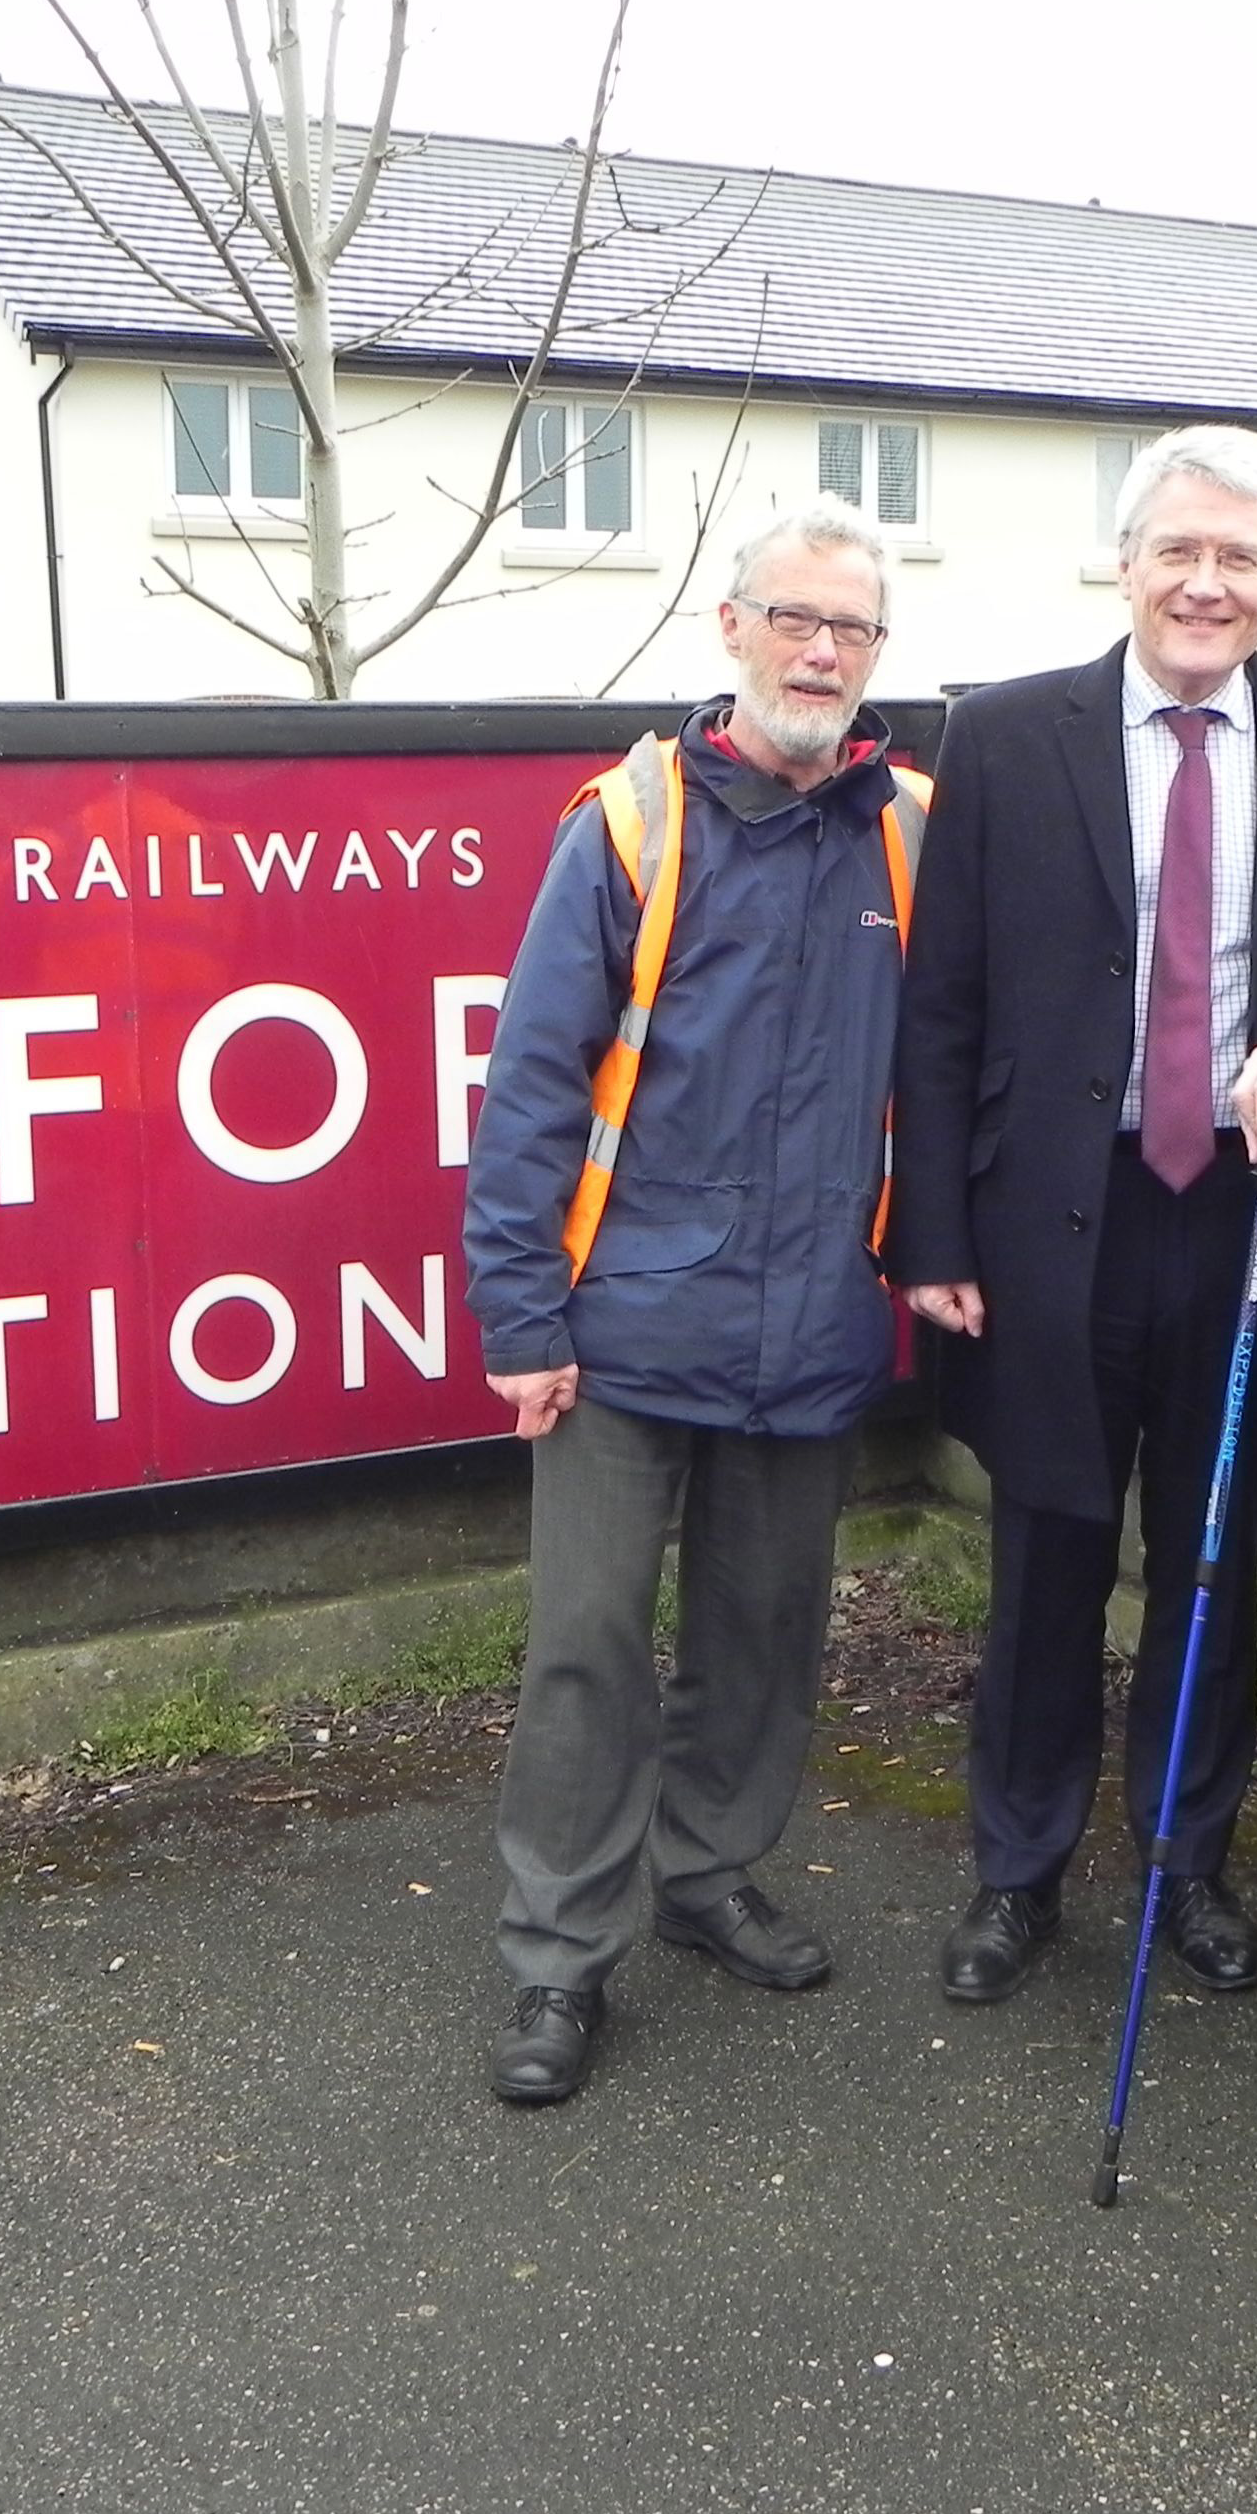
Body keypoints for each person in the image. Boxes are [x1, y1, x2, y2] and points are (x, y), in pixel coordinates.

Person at [888, 427, 1257, 2007]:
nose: (1205, 582)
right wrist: (931, 1237)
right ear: (1125, 564)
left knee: (1207, 1566)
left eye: (1238, 558)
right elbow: (944, 1002)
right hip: (1059, 1216)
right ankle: (1017, 1870)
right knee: (1046, 1551)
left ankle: (1191, 1865)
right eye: (1178, 550)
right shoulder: (1003, 735)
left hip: (1247, 1219)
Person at [462, 499, 929, 2106]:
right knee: (587, 1649)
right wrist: (519, 1319)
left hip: (811, 1324)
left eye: (851, 629)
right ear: (730, 629)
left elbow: (949, 1085)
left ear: (877, 657)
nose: (820, 649)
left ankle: (711, 1874)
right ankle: (557, 1959)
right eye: (793, 617)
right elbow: (533, 1083)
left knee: (763, 1633)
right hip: (623, 1328)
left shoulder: (911, 830)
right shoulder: (632, 821)